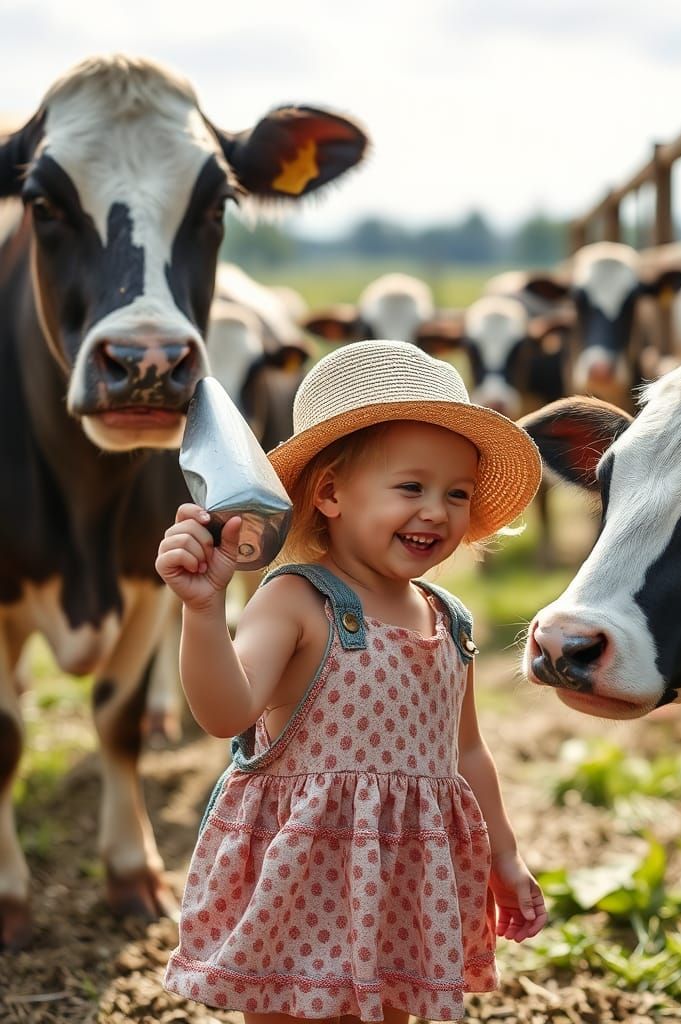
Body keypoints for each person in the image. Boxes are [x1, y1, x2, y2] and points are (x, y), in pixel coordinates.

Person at [157, 340, 548, 1024]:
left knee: (388, 1010)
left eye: (456, 494)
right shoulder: (297, 601)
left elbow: (466, 754)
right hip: (305, 878)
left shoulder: (447, 618)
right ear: (332, 492)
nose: (437, 511)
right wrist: (202, 611)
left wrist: (504, 858)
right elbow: (227, 712)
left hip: (400, 882)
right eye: (411, 487)